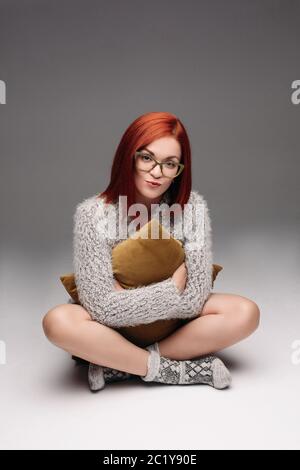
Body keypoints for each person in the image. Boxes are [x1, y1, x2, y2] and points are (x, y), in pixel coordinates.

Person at [42, 112, 260, 391]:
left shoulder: (193, 208)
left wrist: (123, 297)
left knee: (245, 312)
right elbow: (101, 309)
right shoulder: (92, 213)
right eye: (146, 158)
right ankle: (173, 370)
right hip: (113, 329)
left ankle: (119, 363)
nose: (157, 173)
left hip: (172, 325)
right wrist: (170, 290)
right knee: (57, 322)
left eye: (170, 164)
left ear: (180, 169)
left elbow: (195, 299)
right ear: (128, 157)